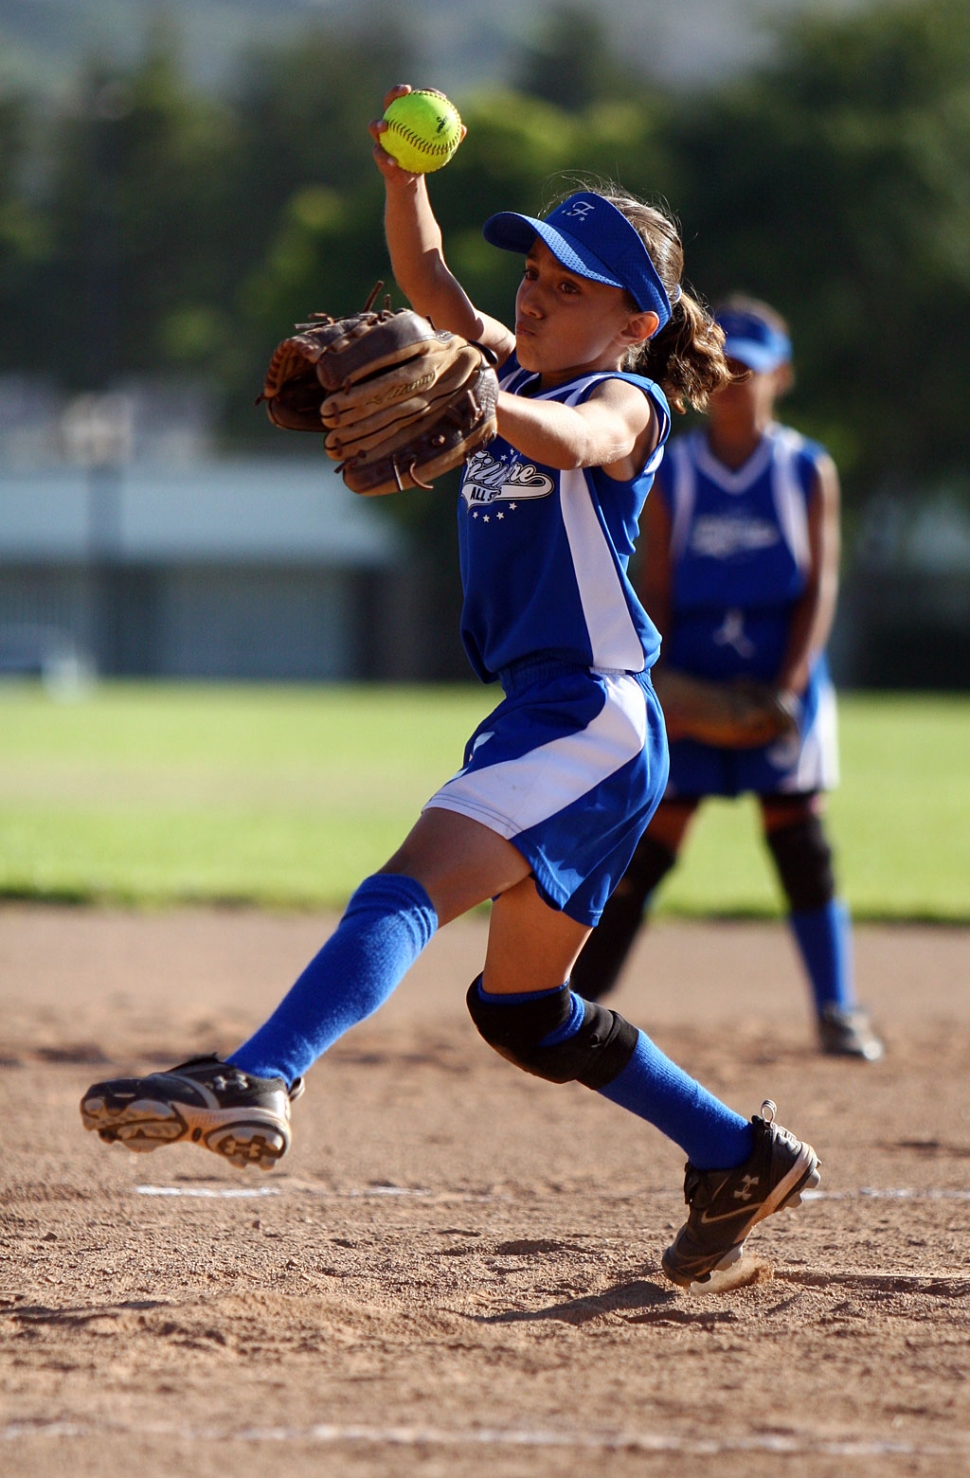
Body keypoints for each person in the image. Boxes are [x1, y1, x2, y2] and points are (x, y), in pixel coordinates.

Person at [79, 91, 820, 1292]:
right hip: (558, 716)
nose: (536, 291)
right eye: (532, 270)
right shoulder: (510, 364)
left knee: (410, 883)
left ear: (633, 321)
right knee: (523, 1009)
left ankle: (261, 1071)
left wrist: (488, 402)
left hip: (591, 707)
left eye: (569, 284)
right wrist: (395, 178)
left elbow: (572, 447)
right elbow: (427, 280)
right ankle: (737, 1156)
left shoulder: (619, 401)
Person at [570, 297, 883, 1061]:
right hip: (695, 672)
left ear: (784, 375)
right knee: (656, 831)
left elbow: (819, 588)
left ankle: (838, 1009)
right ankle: (574, 1006)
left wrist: (788, 688)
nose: (739, 380)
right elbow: (662, 587)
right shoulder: (675, 469)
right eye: (727, 365)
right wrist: (665, 685)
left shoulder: (805, 468)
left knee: (798, 830)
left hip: (782, 675)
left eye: (754, 367)